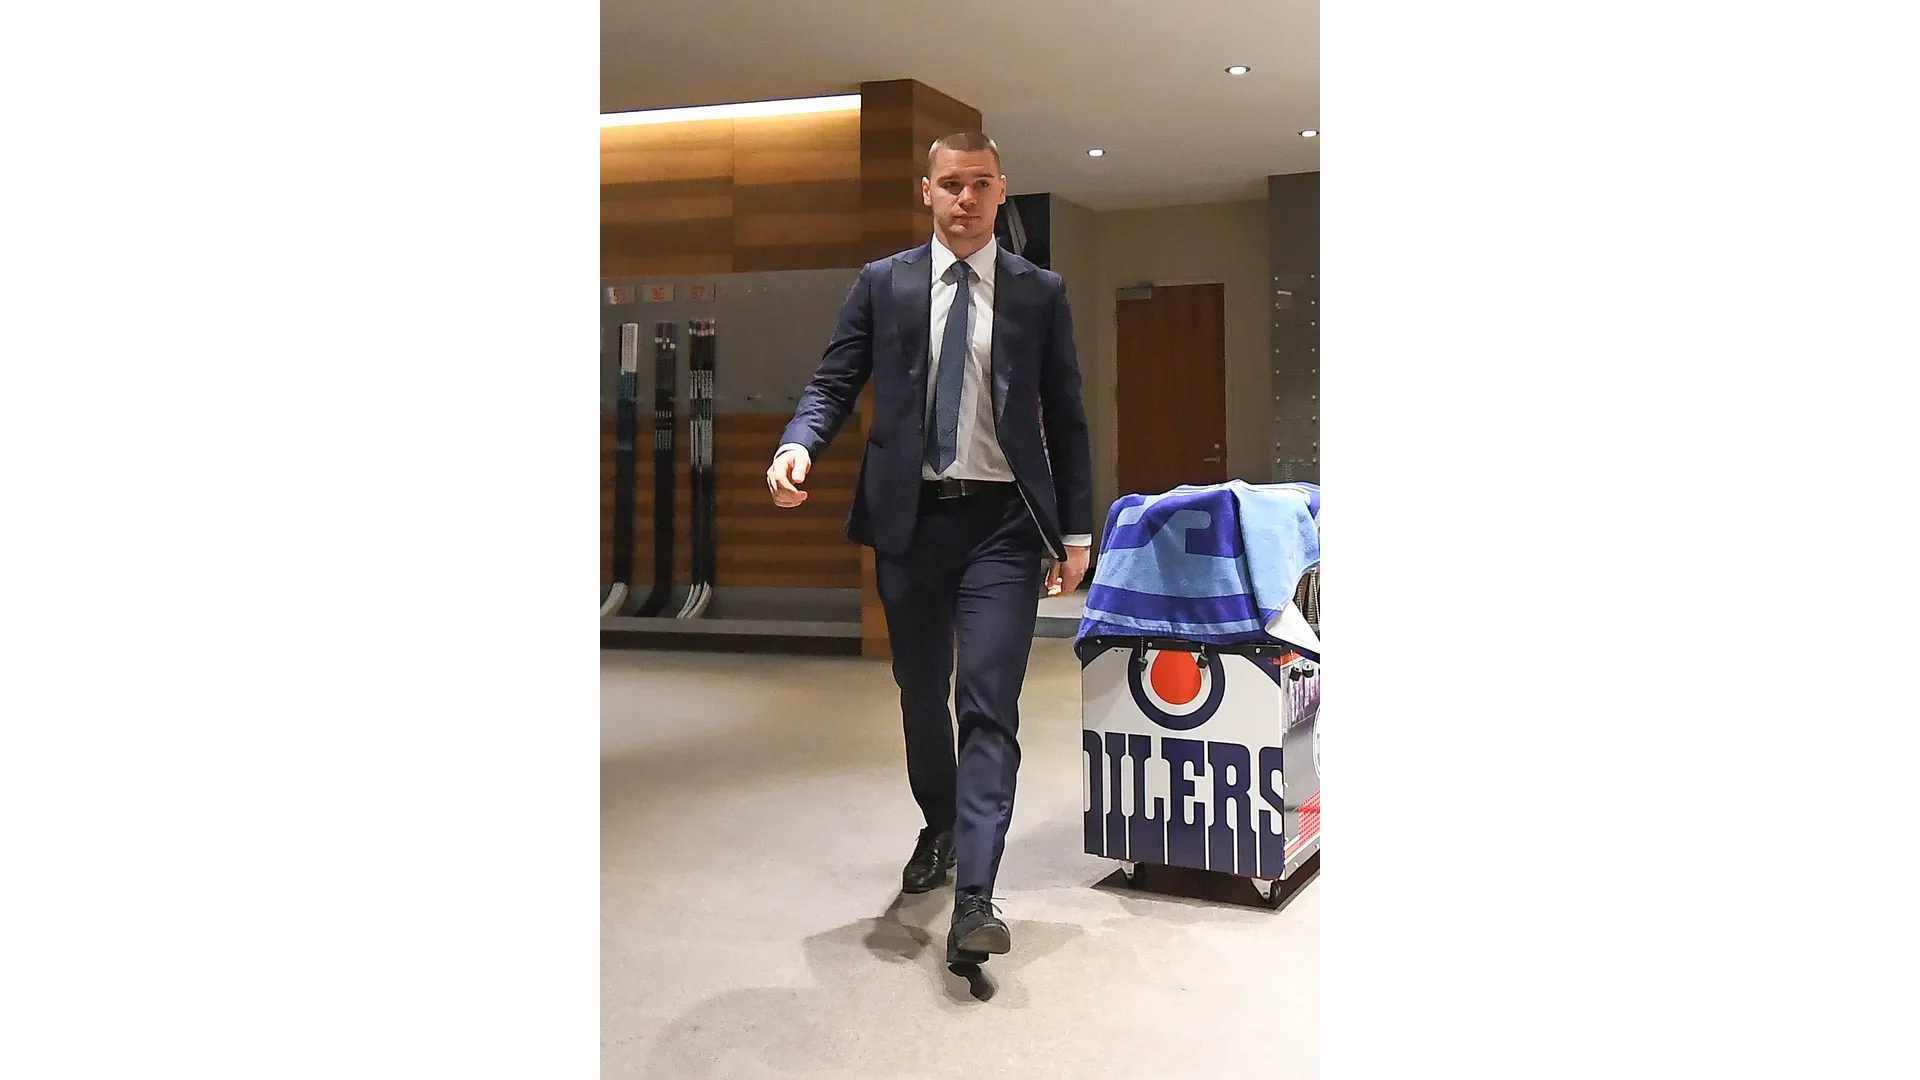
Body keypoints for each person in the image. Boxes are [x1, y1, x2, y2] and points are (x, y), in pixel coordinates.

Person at [767, 131, 1094, 966]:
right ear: (927, 191)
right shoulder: (884, 283)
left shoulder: (1038, 292)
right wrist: (798, 444)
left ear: (1001, 190)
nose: (965, 199)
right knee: (921, 690)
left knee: (987, 699)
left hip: (1003, 527)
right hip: (910, 522)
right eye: (951, 184)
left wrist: (1076, 532)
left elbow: (1067, 415)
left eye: (980, 184)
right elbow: (834, 379)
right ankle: (941, 824)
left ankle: (977, 893)